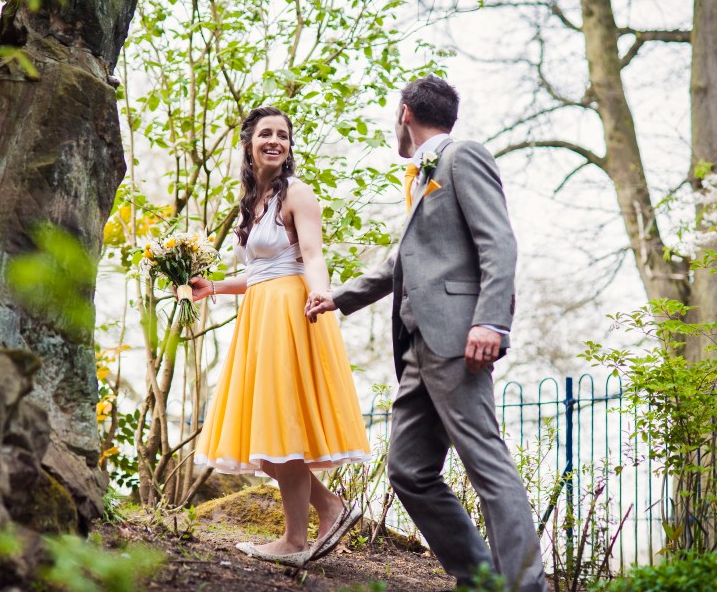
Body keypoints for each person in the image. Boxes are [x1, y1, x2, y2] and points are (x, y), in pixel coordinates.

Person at [306, 75, 547, 592]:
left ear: (405, 113)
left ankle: (526, 586)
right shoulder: (420, 177)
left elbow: (499, 243)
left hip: (460, 340)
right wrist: (340, 296)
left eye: (395, 116)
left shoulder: (463, 158)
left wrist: (490, 321)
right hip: (417, 345)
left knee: (487, 464)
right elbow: (404, 259)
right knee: (409, 469)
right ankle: (480, 578)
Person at [187, 106, 370, 567]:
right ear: (249, 144)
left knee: (279, 426)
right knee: (260, 435)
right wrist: (214, 286)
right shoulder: (251, 201)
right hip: (260, 313)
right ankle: (329, 507)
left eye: (283, 135)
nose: (275, 141)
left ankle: (294, 539)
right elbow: (259, 273)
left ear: (289, 147)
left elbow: (310, 253)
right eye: (265, 134)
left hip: (292, 312)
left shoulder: (298, 194)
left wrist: (320, 292)